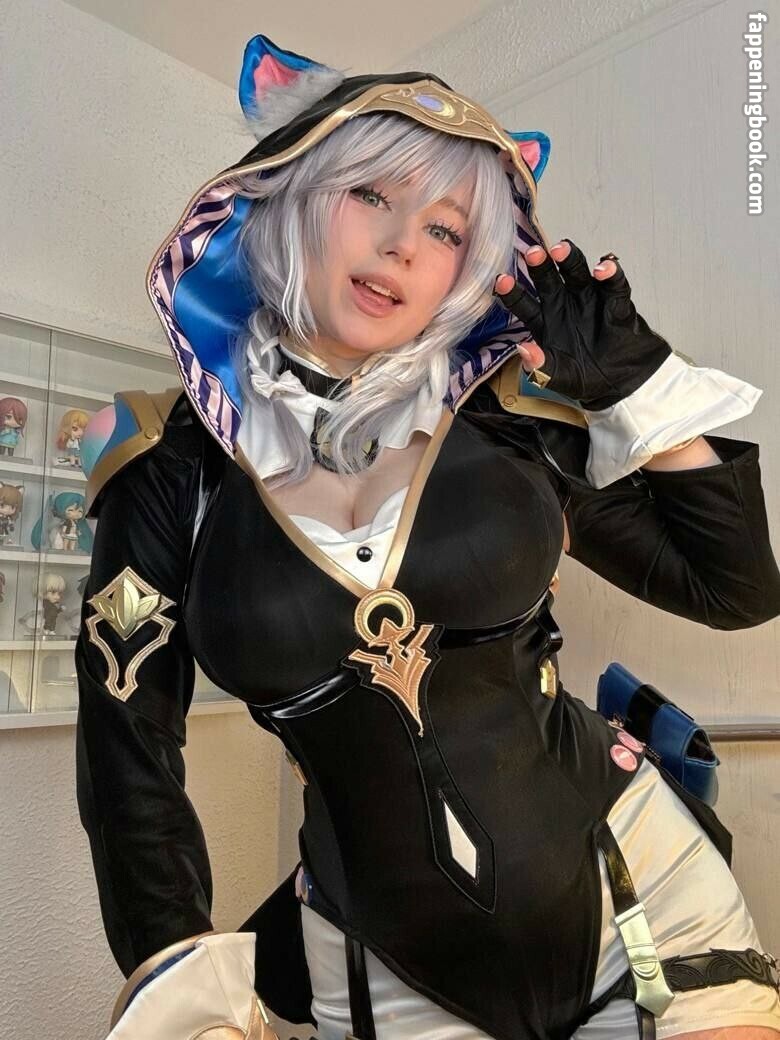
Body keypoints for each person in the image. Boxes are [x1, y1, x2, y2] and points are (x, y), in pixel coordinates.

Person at [75, 34, 780, 1040]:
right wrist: (182, 985)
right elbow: (127, 750)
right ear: (291, 195)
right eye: (371, 193)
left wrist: (640, 385)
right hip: (381, 970)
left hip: (639, 885)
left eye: (445, 227)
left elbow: (734, 588)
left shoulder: (505, 416)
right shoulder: (168, 465)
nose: (403, 244)